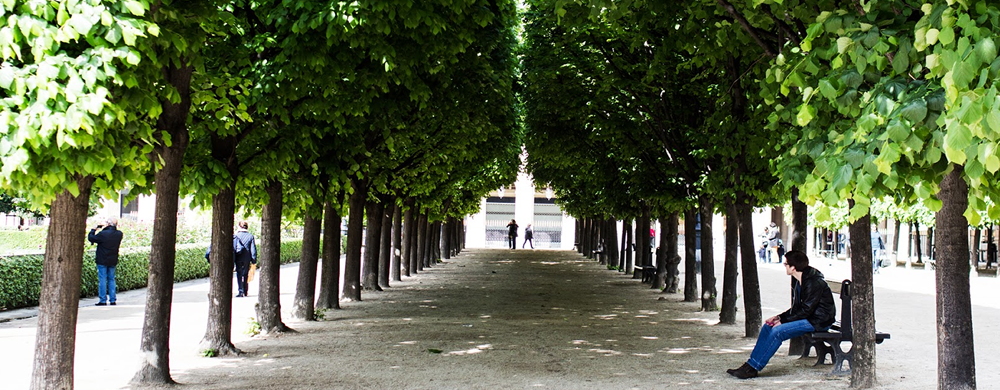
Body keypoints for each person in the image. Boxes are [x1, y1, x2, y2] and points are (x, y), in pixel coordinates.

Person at [727, 250, 836, 379]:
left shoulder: (813, 282)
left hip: (819, 321)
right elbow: (797, 308)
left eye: (786, 264)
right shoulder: (800, 280)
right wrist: (779, 317)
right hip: (810, 318)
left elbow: (806, 310)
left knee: (778, 331)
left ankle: (753, 367)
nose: (784, 266)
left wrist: (782, 322)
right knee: (768, 327)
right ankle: (750, 365)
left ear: (793, 267)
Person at [88, 217, 123, 306]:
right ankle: (112, 300)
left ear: (108, 224)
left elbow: (91, 238)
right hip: (113, 259)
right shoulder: (119, 234)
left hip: (102, 259)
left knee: (102, 279)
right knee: (111, 279)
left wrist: (94, 229)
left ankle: (103, 300)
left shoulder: (103, 234)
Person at [233, 221, 258, 297]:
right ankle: (245, 290)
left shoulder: (236, 236)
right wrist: (254, 260)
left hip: (238, 257)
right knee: (246, 274)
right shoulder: (250, 236)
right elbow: (253, 249)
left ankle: (240, 291)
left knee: (239, 274)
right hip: (247, 258)